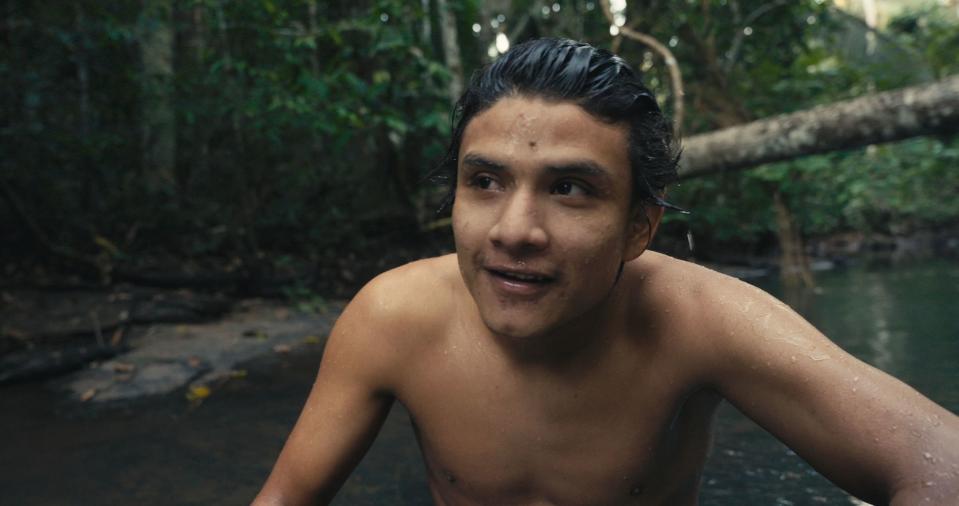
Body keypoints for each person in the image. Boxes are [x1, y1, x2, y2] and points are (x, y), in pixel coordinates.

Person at [253, 38, 959, 505]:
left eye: (569, 189)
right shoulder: (392, 319)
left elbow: (940, 461)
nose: (513, 232)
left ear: (637, 230)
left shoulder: (702, 321)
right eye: (486, 181)